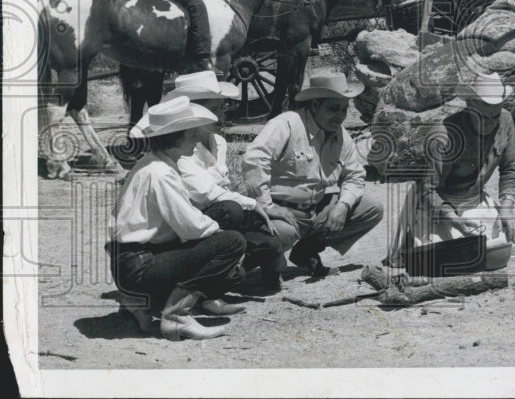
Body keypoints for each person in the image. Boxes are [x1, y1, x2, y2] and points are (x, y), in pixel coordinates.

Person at [132, 71, 285, 294]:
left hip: (208, 217)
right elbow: (205, 194)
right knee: (232, 216)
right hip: (191, 223)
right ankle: (202, 286)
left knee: (267, 242)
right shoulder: (176, 154)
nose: (219, 115)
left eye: (221, 108)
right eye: (213, 110)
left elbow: (223, 189)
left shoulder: (218, 143)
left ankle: (220, 271)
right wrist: (250, 207)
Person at [107, 96, 246, 341]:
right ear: (177, 137)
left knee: (220, 236)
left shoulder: (152, 164)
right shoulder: (160, 173)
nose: (196, 141)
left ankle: (140, 305)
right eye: (192, 135)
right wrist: (219, 233)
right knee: (232, 243)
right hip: (139, 266)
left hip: (129, 260)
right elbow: (191, 228)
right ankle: (177, 316)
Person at [242, 71, 384, 278]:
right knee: (283, 236)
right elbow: (254, 158)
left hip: (315, 210)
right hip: (280, 212)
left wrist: (342, 207)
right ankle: (252, 265)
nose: (340, 116)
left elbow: (354, 176)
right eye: (334, 109)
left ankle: (306, 251)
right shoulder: (287, 123)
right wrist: (267, 206)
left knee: (371, 208)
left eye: (344, 109)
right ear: (315, 106)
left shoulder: (341, 135)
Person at [387, 71, 515, 266]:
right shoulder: (443, 135)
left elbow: (511, 169)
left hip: (475, 200)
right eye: (483, 117)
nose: (489, 123)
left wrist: (507, 208)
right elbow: (427, 189)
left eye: (493, 118)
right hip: (438, 206)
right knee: (451, 259)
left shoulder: (505, 120)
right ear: (469, 106)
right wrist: (453, 219)